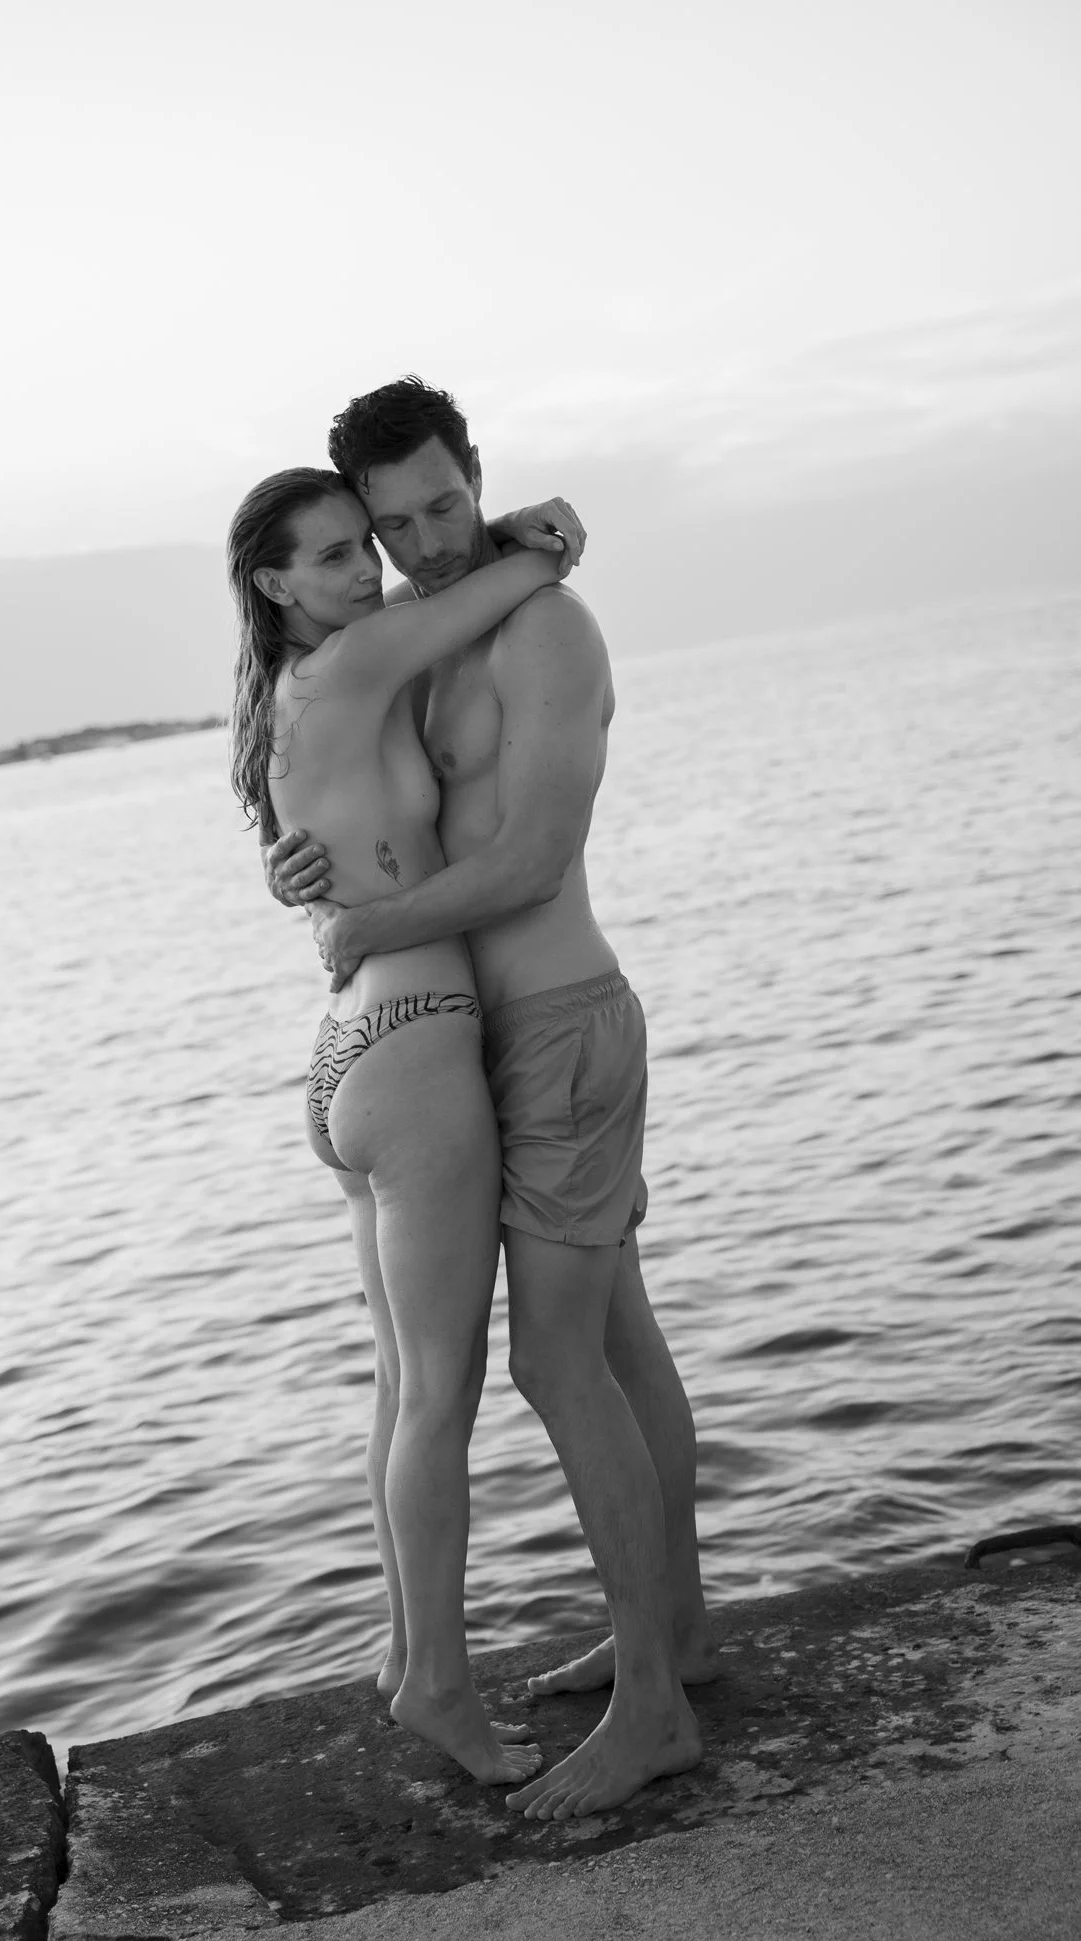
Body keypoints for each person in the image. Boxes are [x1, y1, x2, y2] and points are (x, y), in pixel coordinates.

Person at [264, 378, 715, 1820]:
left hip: (564, 1027)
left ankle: (653, 1712)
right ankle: (681, 1637)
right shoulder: (422, 644)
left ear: (478, 471)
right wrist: (301, 874)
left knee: (555, 1366)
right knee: (625, 1346)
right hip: (486, 1043)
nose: (427, 540)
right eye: (394, 526)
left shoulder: (549, 632)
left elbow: (527, 861)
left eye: (448, 502)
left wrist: (370, 934)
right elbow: (344, 795)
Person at [228, 465, 580, 1786]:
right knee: (440, 1394)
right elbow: (515, 576)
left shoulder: (279, 698)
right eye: (330, 560)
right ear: (275, 584)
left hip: (344, 1063)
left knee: (398, 1387)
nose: (365, 574)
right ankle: (440, 1682)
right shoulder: (361, 661)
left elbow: (315, 858)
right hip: (419, 1050)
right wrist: (541, 531)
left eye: (358, 551)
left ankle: (397, 1653)